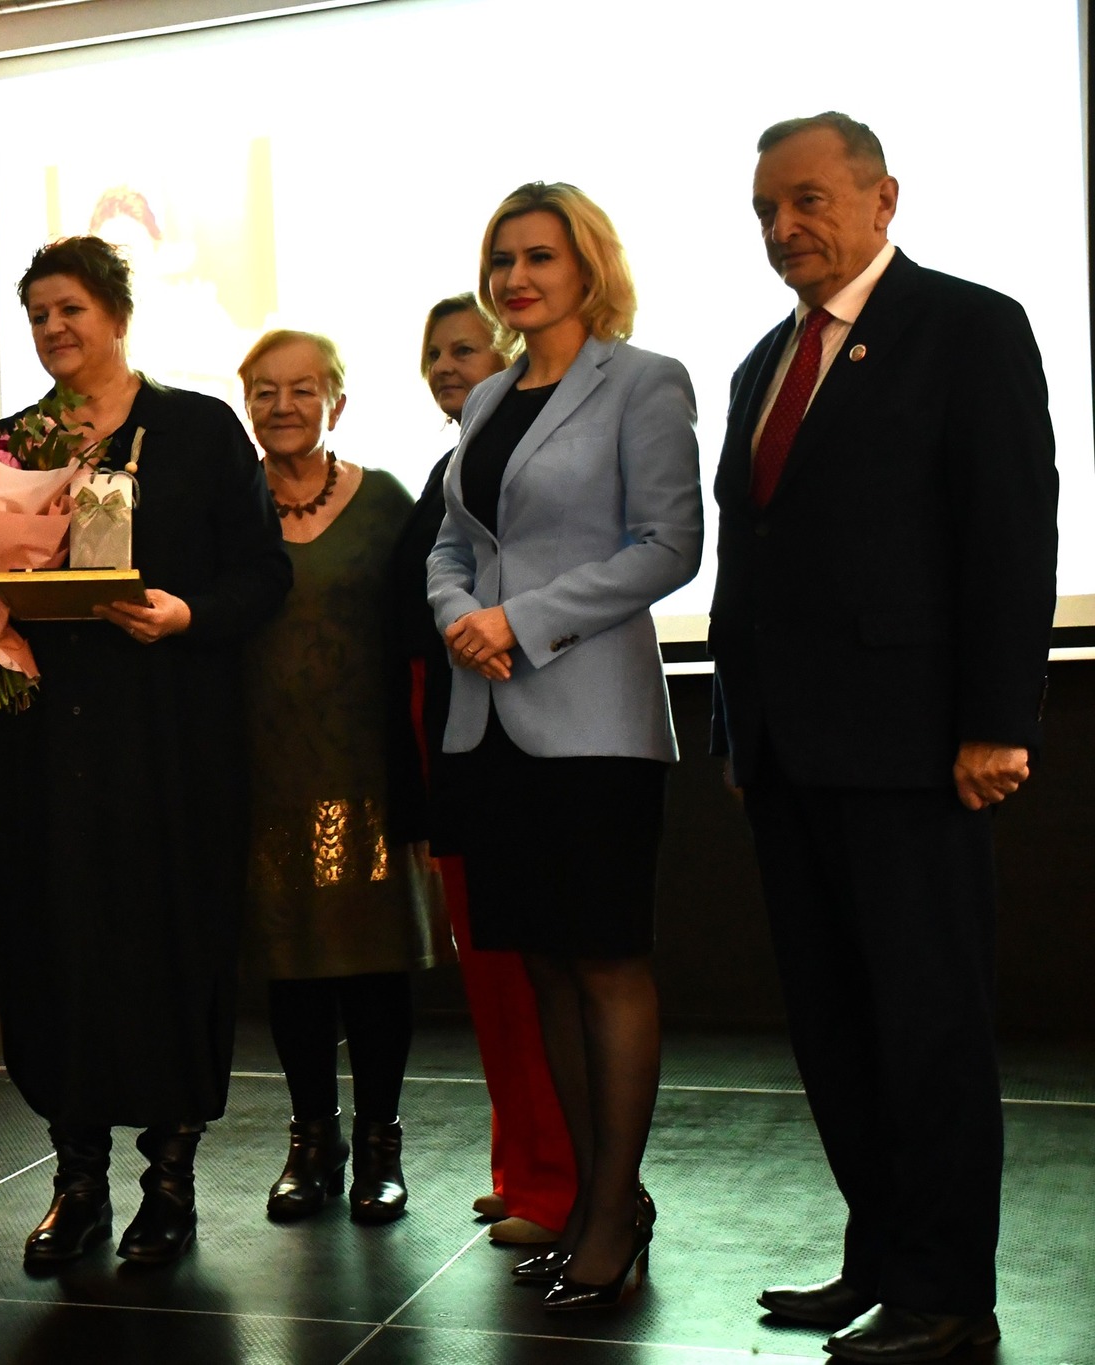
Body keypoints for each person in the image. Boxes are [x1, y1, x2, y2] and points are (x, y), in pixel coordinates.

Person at [710, 114, 1055, 1363]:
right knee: (835, 1030)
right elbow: (749, 560)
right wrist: (738, 732)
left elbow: (1009, 533)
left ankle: (945, 1292)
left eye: (805, 199)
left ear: (880, 199)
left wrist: (994, 723)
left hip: (913, 754)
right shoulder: (763, 360)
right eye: (764, 209)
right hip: (787, 760)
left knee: (926, 1032)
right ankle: (879, 1259)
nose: (781, 227)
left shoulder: (967, 327)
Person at [0, 235, 291, 1267]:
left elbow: (264, 576)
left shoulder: (199, 430)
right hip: (44, 746)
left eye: (70, 309)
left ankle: (168, 1184)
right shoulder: (6, 448)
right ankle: (75, 1180)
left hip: (169, 742)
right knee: (55, 949)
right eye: (37, 314)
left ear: (118, 315)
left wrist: (184, 613)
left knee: (168, 947)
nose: (52, 329)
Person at [427, 182, 702, 1311]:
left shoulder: (643, 380)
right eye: (502, 259)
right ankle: (595, 1201)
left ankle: (614, 1208)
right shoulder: (490, 396)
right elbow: (452, 543)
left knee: (604, 963)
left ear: (588, 266)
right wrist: (459, 614)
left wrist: (521, 621)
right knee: (541, 963)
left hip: (593, 723)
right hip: (487, 719)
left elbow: (669, 545)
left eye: (539, 256)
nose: (516, 278)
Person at [236, 327, 431, 1227]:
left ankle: (381, 1147)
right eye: (265, 391)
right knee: (294, 967)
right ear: (247, 405)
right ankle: (313, 1141)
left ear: (337, 403)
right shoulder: (229, 507)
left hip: (369, 772)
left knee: (375, 965)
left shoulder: (386, 500)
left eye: (303, 389)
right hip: (268, 774)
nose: (284, 406)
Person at [402, 295, 577, 1249]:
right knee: (493, 972)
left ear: (510, 351)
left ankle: (562, 1182)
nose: (445, 365)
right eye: (433, 352)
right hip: (453, 730)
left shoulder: (520, 465)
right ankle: (523, 1168)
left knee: (532, 968)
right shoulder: (455, 465)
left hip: (515, 726)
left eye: (464, 348)